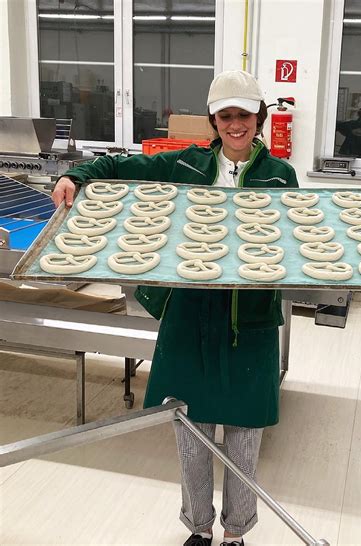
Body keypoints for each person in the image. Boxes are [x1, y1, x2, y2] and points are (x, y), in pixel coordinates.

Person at [52, 70, 299, 546]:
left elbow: (288, 242)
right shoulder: (185, 166)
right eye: (225, 115)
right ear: (213, 120)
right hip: (189, 316)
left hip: (249, 322)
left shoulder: (279, 174)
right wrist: (75, 175)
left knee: (245, 436)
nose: (235, 124)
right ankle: (200, 530)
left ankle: (236, 535)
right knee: (192, 431)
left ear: (258, 118)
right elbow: (120, 167)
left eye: (243, 115)